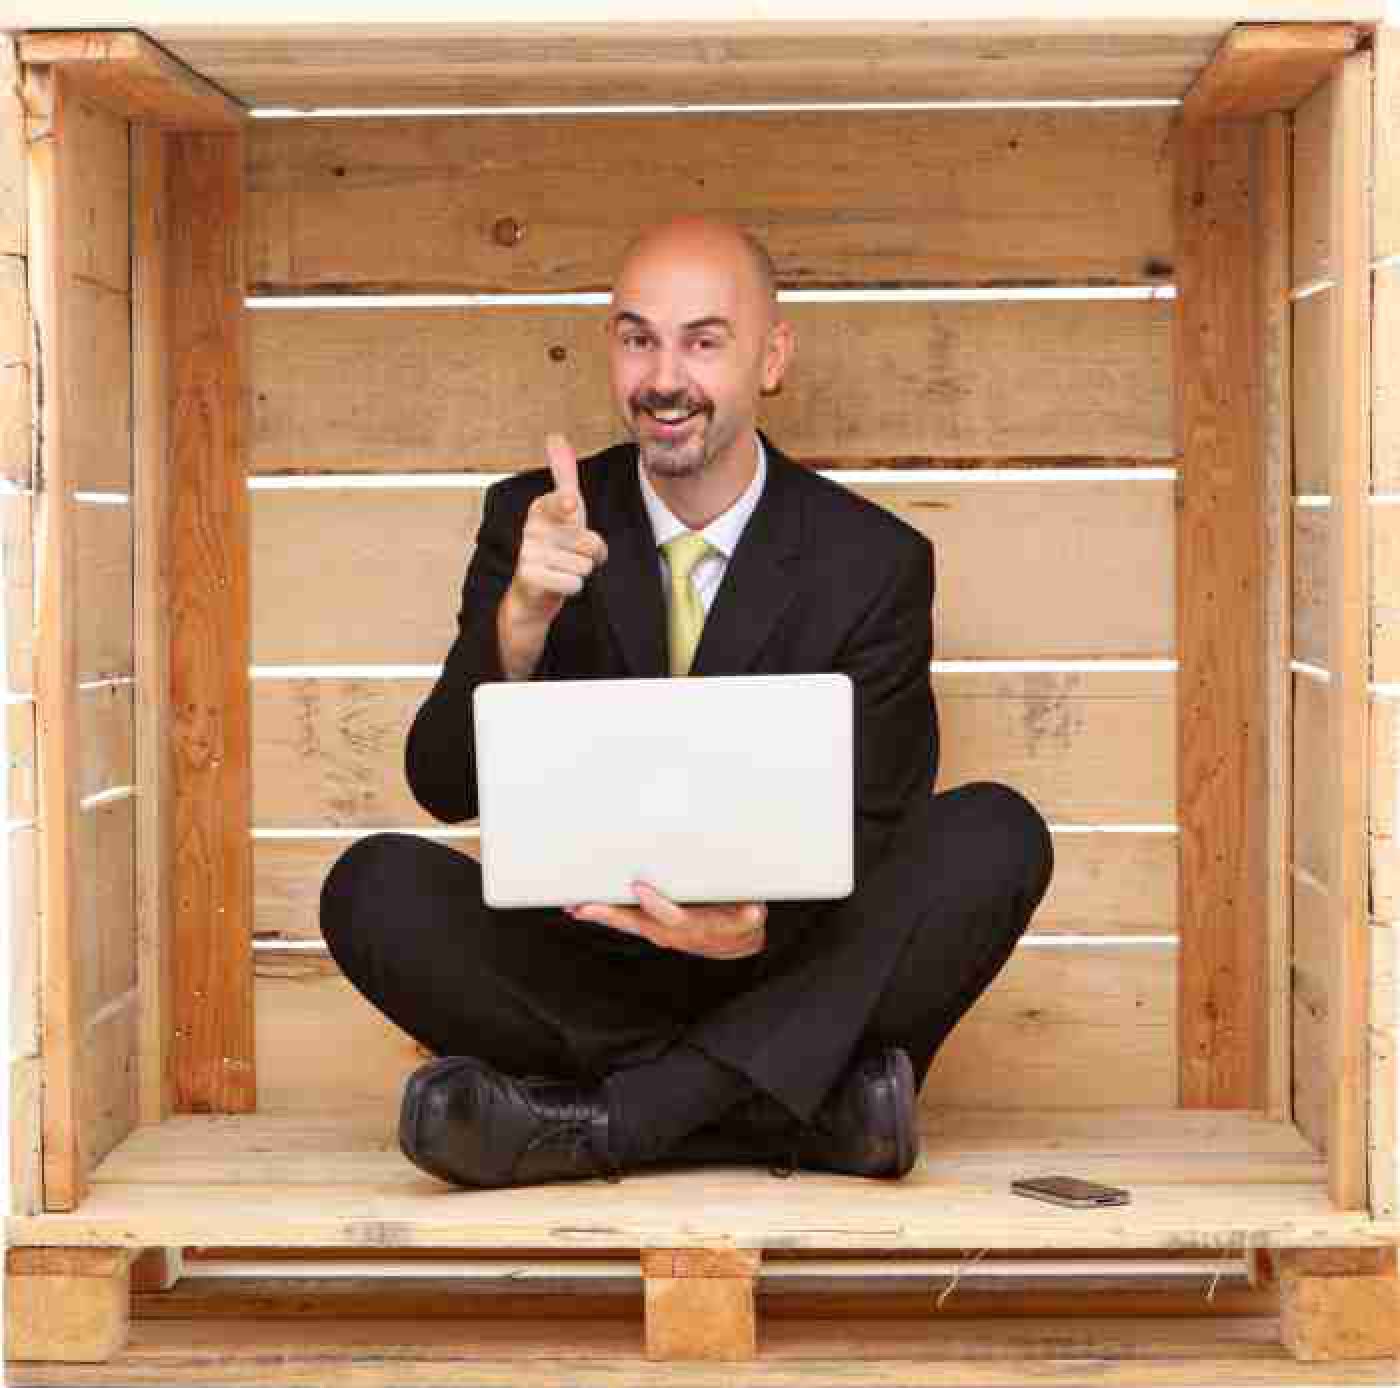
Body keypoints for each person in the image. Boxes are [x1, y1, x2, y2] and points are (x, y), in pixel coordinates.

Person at [320, 216, 1054, 1191]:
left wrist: (754, 930)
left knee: (994, 834)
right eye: (637, 338)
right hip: (590, 965)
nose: (664, 377)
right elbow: (442, 784)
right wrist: (520, 618)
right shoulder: (532, 517)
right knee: (370, 887)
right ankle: (801, 1111)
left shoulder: (873, 562)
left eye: (703, 341)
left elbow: (878, 825)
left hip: (786, 966)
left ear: (771, 356)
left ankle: (600, 1123)